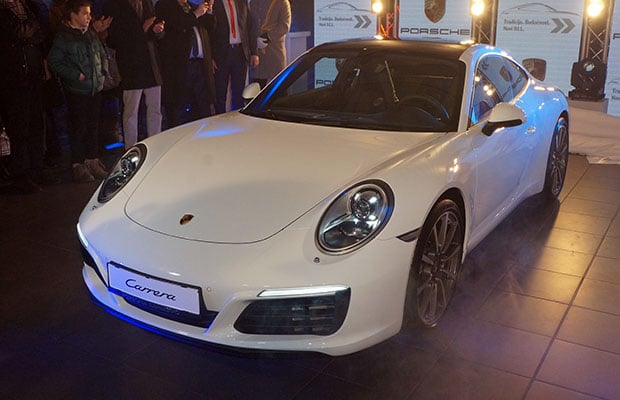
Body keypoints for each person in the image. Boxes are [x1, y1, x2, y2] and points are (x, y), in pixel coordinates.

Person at [48, 0, 109, 182]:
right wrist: (75, 74)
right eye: (85, 13)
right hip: (77, 90)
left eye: (89, 13)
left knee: (93, 126)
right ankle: (78, 164)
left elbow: (101, 52)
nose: (89, 17)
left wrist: (103, 70)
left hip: (95, 87)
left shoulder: (90, 33)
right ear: (73, 15)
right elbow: (54, 61)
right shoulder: (64, 37)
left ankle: (92, 160)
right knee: (79, 127)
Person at [0, 0, 56, 193]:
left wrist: (27, 33)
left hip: (32, 72)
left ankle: (36, 168)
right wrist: (28, 32)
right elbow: (15, 33)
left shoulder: (27, 5)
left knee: (35, 122)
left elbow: (39, 33)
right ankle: (21, 174)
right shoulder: (4, 11)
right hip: (12, 76)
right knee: (19, 125)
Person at [103, 0, 164, 149]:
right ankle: (131, 147)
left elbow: (155, 33)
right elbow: (114, 38)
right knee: (131, 111)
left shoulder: (147, 3)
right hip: (130, 65)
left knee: (155, 109)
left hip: (150, 63)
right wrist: (142, 29)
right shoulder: (115, 5)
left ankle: (155, 143)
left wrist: (158, 31)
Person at [156, 0, 216, 128]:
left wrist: (209, 11)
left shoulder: (192, 6)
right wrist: (196, 14)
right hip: (180, 66)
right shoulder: (165, 5)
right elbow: (179, 24)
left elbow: (210, 26)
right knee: (179, 106)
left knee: (202, 105)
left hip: (200, 64)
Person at [211, 0, 259, 114]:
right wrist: (211, 56)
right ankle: (220, 120)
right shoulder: (215, 3)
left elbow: (250, 26)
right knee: (220, 92)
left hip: (240, 52)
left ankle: (237, 118)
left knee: (239, 91)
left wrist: (254, 52)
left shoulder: (241, 2)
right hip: (221, 53)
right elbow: (209, 31)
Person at [250, 0, 290, 88]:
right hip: (257, 56)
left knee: (278, 90)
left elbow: (284, 26)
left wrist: (267, 37)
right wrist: (253, 41)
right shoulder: (253, 2)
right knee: (257, 90)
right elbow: (249, 24)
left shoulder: (282, 2)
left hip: (275, 54)